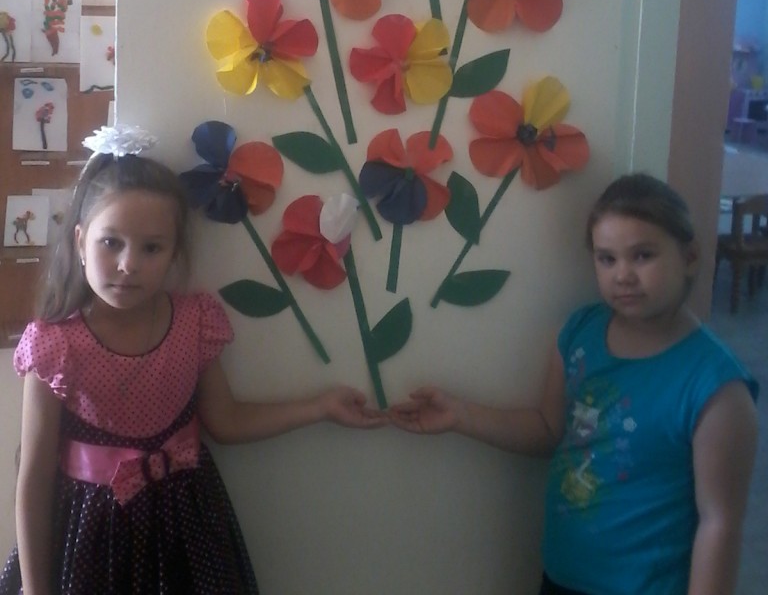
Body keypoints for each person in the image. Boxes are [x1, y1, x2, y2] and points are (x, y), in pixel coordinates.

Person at [0, 127, 384, 595]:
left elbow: (226, 421)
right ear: (80, 242)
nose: (128, 264)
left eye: (151, 247)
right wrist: (36, 589)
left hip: (188, 530)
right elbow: (34, 479)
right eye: (110, 242)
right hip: (91, 538)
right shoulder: (54, 344)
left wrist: (320, 407)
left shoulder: (195, 321)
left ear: (174, 253)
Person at [390, 173, 759, 595]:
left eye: (643, 255)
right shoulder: (579, 334)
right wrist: (460, 415)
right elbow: (549, 428)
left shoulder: (718, 390)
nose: (623, 275)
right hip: (563, 577)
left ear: (689, 257)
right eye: (607, 259)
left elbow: (719, 524)